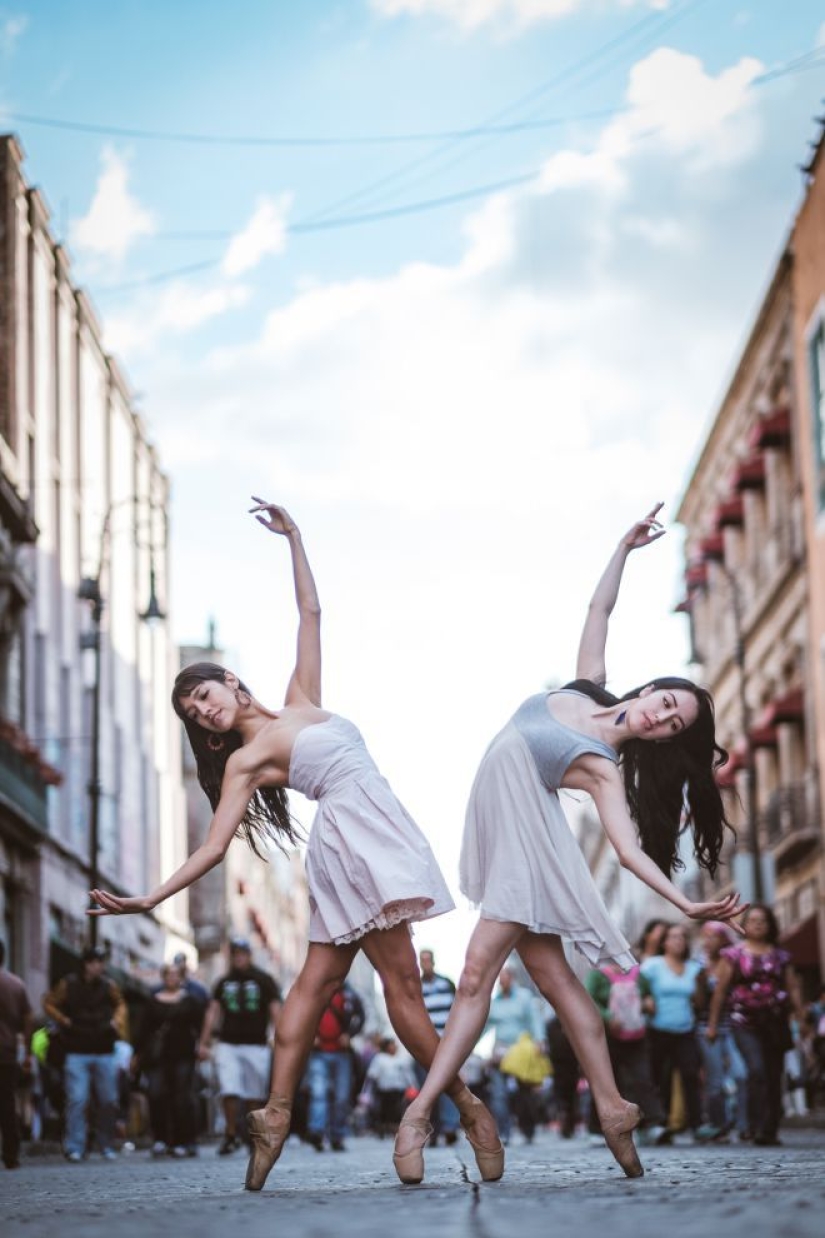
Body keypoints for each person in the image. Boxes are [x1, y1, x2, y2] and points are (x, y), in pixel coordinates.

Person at [87, 499, 499, 1192]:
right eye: (194, 712)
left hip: (374, 832)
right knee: (392, 987)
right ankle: (464, 1107)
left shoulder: (300, 698)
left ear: (230, 681)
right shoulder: (246, 763)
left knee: (315, 986)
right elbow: (215, 848)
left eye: (204, 693)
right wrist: (148, 899)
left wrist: (294, 540)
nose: (203, 708)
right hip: (351, 843)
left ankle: (274, 1116)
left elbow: (311, 615)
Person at [394, 504, 747, 1185]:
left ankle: (420, 1114)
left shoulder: (602, 765)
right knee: (558, 984)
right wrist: (621, 549)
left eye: (671, 723)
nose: (661, 713)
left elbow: (624, 852)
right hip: (505, 843)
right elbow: (597, 611)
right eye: (667, 700)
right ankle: (614, 1108)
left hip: (530, 854)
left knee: (472, 979)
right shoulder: (585, 689)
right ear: (653, 689)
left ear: (663, 739)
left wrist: (684, 903)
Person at [707, 904, 805, 1146]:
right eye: (753, 920)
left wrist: (802, 1019)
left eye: (763, 920)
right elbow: (720, 991)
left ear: (770, 925)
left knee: (774, 1075)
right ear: (745, 925)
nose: (758, 924)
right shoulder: (734, 955)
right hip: (744, 1022)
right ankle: (754, 1124)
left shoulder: (781, 956)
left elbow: (793, 988)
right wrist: (712, 1024)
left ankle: (769, 1130)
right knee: (757, 1070)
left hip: (775, 1022)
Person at [43, 945, 127, 1162]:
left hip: (104, 1049)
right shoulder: (68, 984)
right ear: (86, 964)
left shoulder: (109, 985)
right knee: (77, 1099)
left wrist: (116, 1022)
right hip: (76, 1048)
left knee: (109, 1099)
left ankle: (106, 1144)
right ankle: (75, 1146)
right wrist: (64, 1020)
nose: (99, 966)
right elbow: (49, 1003)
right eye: (95, 962)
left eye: (101, 962)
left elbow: (120, 1005)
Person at [198, 939, 281, 1155]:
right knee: (229, 1089)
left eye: (242, 954)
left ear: (249, 955)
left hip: (256, 1044)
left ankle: (253, 1137)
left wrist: (281, 1038)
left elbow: (275, 1011)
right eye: (235, 954)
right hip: (228, 1044)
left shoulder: (264, 980)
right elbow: (213, 1011)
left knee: (254, 1094)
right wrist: (204, 1041)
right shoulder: (223, 982)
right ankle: (231, 1133)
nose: (239, 958)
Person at [584, 960, 669, 1145]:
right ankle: (596, 1128)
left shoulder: (638, 974)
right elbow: (587, 999)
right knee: (605, 1082)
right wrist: (607, 1016)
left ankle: (651, 1125)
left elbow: (648, 994)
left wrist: (648, 1002)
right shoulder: (598, 975)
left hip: (636, 1035)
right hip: (607, 1038)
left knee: (643, 1079)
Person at [640, 924, 712, 1142]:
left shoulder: (693, 968)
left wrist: (701, 984)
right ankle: (659, 1125)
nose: (678, 941)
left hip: (685, 1030)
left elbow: (699, 1003)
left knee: (691, 1075)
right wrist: (646, 999)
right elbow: (637, 986)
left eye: (682, 937)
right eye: (673, 937)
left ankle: (698, 1125)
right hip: (657, 1030)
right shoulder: (653, 965)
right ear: (665, 943)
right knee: (659, 1077)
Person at [134, 961, 204, 1158]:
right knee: (156, 1095)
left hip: (183, 1055)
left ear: (181, 978)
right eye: (169, 974)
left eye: (176, 974)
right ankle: (160, 1139)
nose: (172, 978)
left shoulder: (191, 1001)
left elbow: (200, 1026)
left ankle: (185, 1141)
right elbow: (143, 1029)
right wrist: (137, 1053)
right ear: (163, 977)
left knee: (181, 1097)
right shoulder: (152, 1000)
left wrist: (202, 1045)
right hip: (157, 1057)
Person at [694, 921, 748, 1140]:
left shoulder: (734, 962)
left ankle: (744, 1125)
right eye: (705, 936)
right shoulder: (698, 965)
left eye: (713, 936)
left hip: (733, 1025)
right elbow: (697, 1002)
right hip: (706, 1028)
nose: (708, 941)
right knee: (715, 1079)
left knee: (742, 1074)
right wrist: (700, 979)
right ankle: (718, 1125)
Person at [484, 966, 545, 1145]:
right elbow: (485, 1026)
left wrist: (540, 1040)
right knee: (498, 1094)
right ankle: (504, 1131)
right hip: (501, 1051)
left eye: (504, 978)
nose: (501, 982)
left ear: (512, 978)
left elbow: (534, 1020)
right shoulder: (495, 1001)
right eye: (499, 979)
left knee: (525, 1093)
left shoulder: (524, 997)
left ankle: (528, 1129)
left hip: (522, 1051)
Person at [306, 980, 365, 1152]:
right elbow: (305, 1014)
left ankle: (337, 1135)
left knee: (341, 1097)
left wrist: (349, 1034)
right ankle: (317, 1132)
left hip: (342, 1054)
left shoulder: (350, 994)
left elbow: (360, 1017)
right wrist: (312, 1034)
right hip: (318, 1052)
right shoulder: (316, 989)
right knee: (319, 1093)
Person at [417, 950, 459, 1145]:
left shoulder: (446, 984)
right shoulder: (416, 987)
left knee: (448, 1086)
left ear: (433, 962)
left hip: (446, 1044)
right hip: (424, 1045)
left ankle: (450, 1127)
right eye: (422, 961)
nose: (425, 964)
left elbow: (458, 1011)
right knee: (427, 1088)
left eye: (428, 961)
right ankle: (433, 1129)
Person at [0, 940, 34, 1170]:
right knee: (7, 1103)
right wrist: (27, 1052)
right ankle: (11, 1155)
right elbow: (28, 1019)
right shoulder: (16, 984)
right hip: (7, 1052)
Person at [366, 1037, 418, 1136]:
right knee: (384, 1109)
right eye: (392, 1044)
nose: (394, 1047)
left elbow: (409, 1075)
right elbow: (372, 1074)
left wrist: (413, 1086)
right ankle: (383, 1126)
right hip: (384, 1089)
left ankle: (395, 1126)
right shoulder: (379, 1058)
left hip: (399, 1089)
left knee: (398, 1109)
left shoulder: (401, 1059)